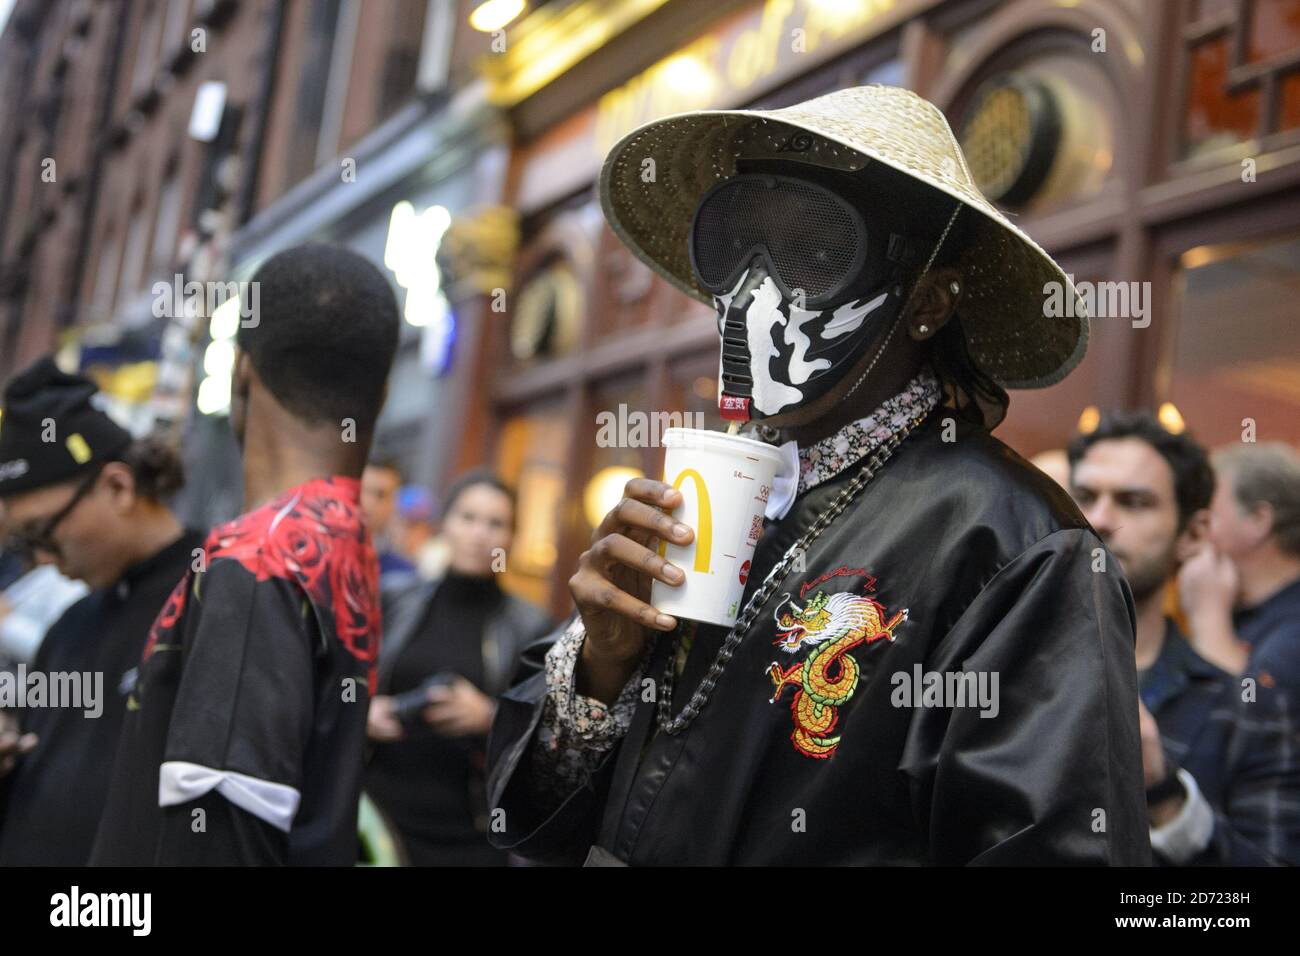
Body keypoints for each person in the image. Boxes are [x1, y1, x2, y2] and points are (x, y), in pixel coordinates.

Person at [485, 85, 1149, 865]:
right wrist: (600, 665)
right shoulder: (728, 486)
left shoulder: (1015, 544)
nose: (755, 290)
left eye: (816, 252)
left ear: (928, 300)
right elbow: (544, 804)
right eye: (734, 246)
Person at [90, 244, 400, 865]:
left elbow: (217, 841)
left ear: (240, 371)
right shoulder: (345, 537)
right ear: (381, 394)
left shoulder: (261, 557)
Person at [1069, 411, 1300, 865]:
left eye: (1134, 502)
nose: (1098, 518)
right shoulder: (994, 669)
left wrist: (1165, 798)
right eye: (1083, 496)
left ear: (1193, 534)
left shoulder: (1246, 709)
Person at [0, 358, 202, 865]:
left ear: (118, 486)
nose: (42, 560)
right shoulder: (71, 624)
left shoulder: (214, 599)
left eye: (44, 533)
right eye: (23, 543)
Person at [365, 469, 554, 864]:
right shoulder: (395, 598)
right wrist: (363, 710)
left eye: (495, 523)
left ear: (511, 539)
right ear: (445, 525)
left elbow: (552, 737)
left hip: (470, 829)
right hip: (374, 812)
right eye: (467, 517)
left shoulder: (530, 626)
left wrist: (491, 717)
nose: (479, 533)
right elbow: (341, 682)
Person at [1179, 443, 1300, 707]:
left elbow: (1253, 724)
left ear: (1259, 519)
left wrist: (1207, 616)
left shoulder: (1293, 630)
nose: (1196, 533)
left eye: (1209, 515)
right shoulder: (1240, 610)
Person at [362, 456, 417, 581]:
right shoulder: (318, 554)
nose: (368, 502)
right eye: (362, 490)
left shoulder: (402, 575)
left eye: (380, 494)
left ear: (394, 503)